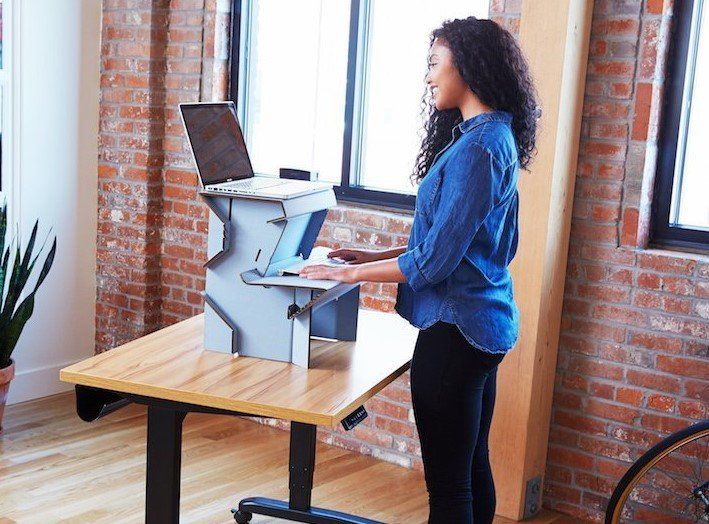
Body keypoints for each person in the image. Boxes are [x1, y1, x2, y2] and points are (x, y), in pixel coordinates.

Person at [299, 16, 538, 524]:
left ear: (467, 67)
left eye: (435, 63)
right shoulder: (492, 137)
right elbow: (466, 243)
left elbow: (433, 261)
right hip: (483, 323)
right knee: (472, 467)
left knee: (450, 488)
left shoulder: (477, 149)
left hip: (456, 332)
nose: (429, 76)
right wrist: (368, 259)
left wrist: (347, 277)